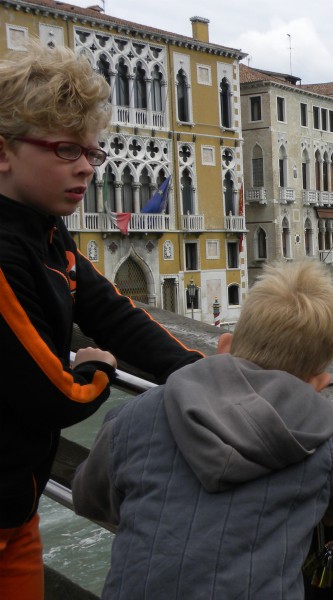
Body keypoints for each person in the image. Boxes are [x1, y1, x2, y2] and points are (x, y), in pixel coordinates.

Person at [72, 260, 333, 599]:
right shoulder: (322, 443)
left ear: (224, 346)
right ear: (319, 383)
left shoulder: (136, 416)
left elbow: (87, 497)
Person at [0, 42, 203, 600]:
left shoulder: (43, 229)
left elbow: (109, 308)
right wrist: (97, 373)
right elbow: (51, 395)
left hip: (15, 505)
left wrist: (201, 368)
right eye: (67, 150)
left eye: (93, 152)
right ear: (3, 152)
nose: (87, 166)